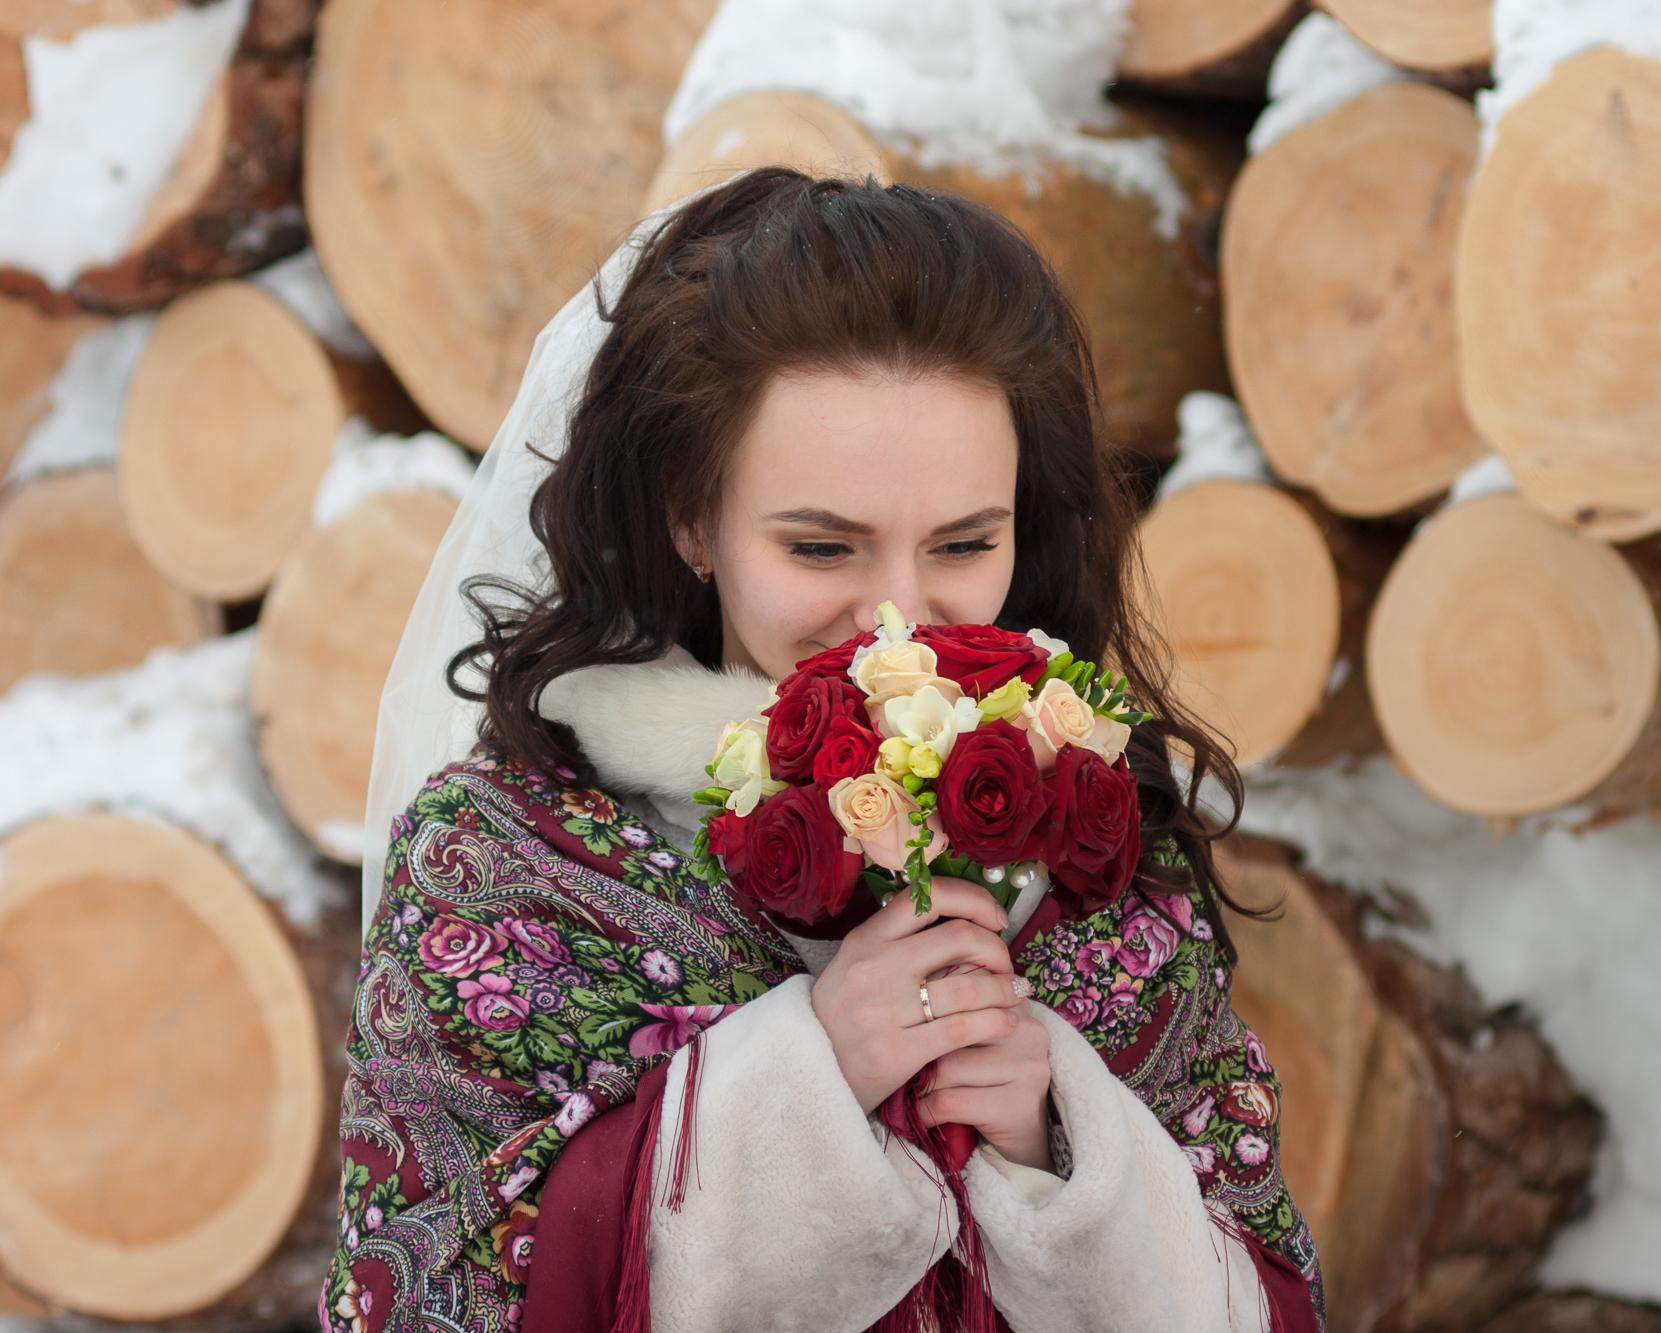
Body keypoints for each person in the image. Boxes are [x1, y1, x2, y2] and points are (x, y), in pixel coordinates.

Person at [322, 166, 1323, 1333]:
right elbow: (419, 1292)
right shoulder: (499, 868)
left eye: (963, 543)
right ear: (690, 517)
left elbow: (1268, 1294)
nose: (897, 617)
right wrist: (805, 1082)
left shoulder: (1099, 843)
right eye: (819, 548)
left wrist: (1058, 1150)